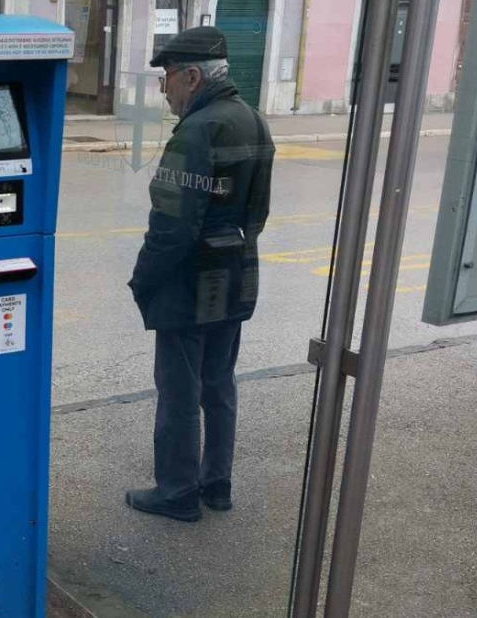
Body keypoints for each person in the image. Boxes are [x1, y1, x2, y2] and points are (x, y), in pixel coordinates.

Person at [125, 26, 275, 522]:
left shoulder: (195, 132)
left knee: (179, 392)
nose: (164, 88)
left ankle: (177, 492)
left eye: (167, 77)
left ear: (191, 76)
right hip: (234, 279)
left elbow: (170, 228)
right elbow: (257, 216)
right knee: (219, 384)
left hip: (188, 287)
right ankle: (217, 484)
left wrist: (142, 280)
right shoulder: (255, 122)